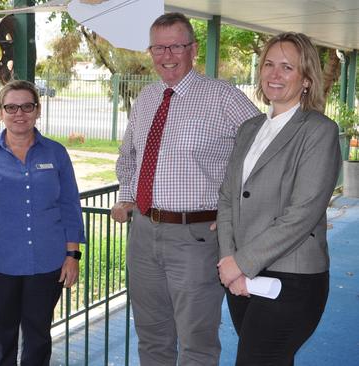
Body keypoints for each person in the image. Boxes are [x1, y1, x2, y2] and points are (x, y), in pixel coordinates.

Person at [111, 12, 260, 365]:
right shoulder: (147, 98)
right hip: (144, 234)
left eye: (176, 46)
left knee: (196, 342)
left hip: (196, 237)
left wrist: (236, 216)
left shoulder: (222, 96)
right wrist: (126, 196)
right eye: (158, 48)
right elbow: (129, 155)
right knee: (151, 337)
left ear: (192, 49)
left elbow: (266, 152)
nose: (167, 55)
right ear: (150, 51)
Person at [217, 32, 341, 365]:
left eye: (287, 67)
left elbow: (302, 214)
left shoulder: (319, 131)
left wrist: (240, 263)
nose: (274, 74)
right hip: (242, 277)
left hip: (292, 279)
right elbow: (228, 197)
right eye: (269, 64)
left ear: (306, 78)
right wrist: (231, 262)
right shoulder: (249, 128)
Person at [0, 80, 85, 366]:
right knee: (1, 341)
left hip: (47, 263)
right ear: (0, 113)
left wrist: (72, 255)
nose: (19, 113)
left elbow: (69, 206)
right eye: (11, 107)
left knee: (38, 338)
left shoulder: (56, 153)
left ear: (37, 110)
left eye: (27, 106)